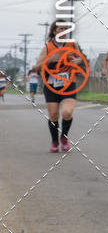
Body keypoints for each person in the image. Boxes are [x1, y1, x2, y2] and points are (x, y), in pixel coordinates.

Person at [33, 21, 87, 152]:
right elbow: (36, 67)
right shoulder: (48, 47)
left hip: (69, 83)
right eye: (60, 28)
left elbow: (80, 58)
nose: (63, 31)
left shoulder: (71, 44)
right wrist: (50, 59)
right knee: (53, 115)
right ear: (54, 31)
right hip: (51, 85)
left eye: (65, 29)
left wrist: (77, 60)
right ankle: (55, 141)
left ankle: (64, 137)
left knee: (67, 113)